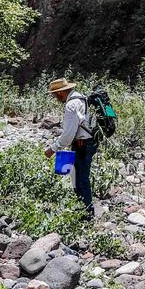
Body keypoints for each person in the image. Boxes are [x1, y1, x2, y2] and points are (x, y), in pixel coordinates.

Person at [46, 78, 95, 218]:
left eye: (54, 95)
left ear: (61, 93)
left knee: (81, 179)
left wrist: (53, 149)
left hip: (83, 144)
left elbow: (67, 135)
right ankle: (83, 210)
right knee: (78, 177)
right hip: (86, 142)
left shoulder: (71, 105)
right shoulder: (81, 97)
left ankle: (87, 214)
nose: (55, 98)